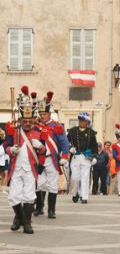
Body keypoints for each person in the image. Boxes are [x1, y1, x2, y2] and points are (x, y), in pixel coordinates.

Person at [4, 86, 47, 234]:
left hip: (31, 168)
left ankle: (26, 223)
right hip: (16, 168)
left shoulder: (39, 132)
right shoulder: (13, 131)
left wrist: (40, 146)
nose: (27, 123)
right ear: (21, 120)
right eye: (25, 120)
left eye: (30, 121)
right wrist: (11, 150)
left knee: (29, 196)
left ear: (33, 120)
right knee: (14, 197)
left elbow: (44, 151)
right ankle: (19, 217)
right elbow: (6, 147)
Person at [34, 91, 69, 219]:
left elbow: (64, 142)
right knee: (38, 184)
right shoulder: (35, 126)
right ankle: (39, 207)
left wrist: (64, 156)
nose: (42, 116)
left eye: (44, 114)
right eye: (41, 114)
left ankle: (51, 210)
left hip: (52, 159)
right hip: (39, 159)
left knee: (52, 185)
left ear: (49, 114)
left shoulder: (56, 126)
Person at [67, 112, 98, 204]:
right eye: (80, 119)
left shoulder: (91, 133)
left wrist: (95, 157)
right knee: (75, 178)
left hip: (86, 157)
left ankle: (84, 197)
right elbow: (65, 142)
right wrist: (70, 148)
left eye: (83, 120)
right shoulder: (72, 131)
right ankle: (75, 193)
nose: (81, 121)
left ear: (87, 122)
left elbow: (94, 146)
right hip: (75, 157)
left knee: (85, 177)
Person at [0, 128, 9, 195]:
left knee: (5, 173)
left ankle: (2, 187)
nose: (3, 135)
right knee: (3, 174)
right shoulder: (2, 141)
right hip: (1, 159)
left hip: (5, 159)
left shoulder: (5, 140)